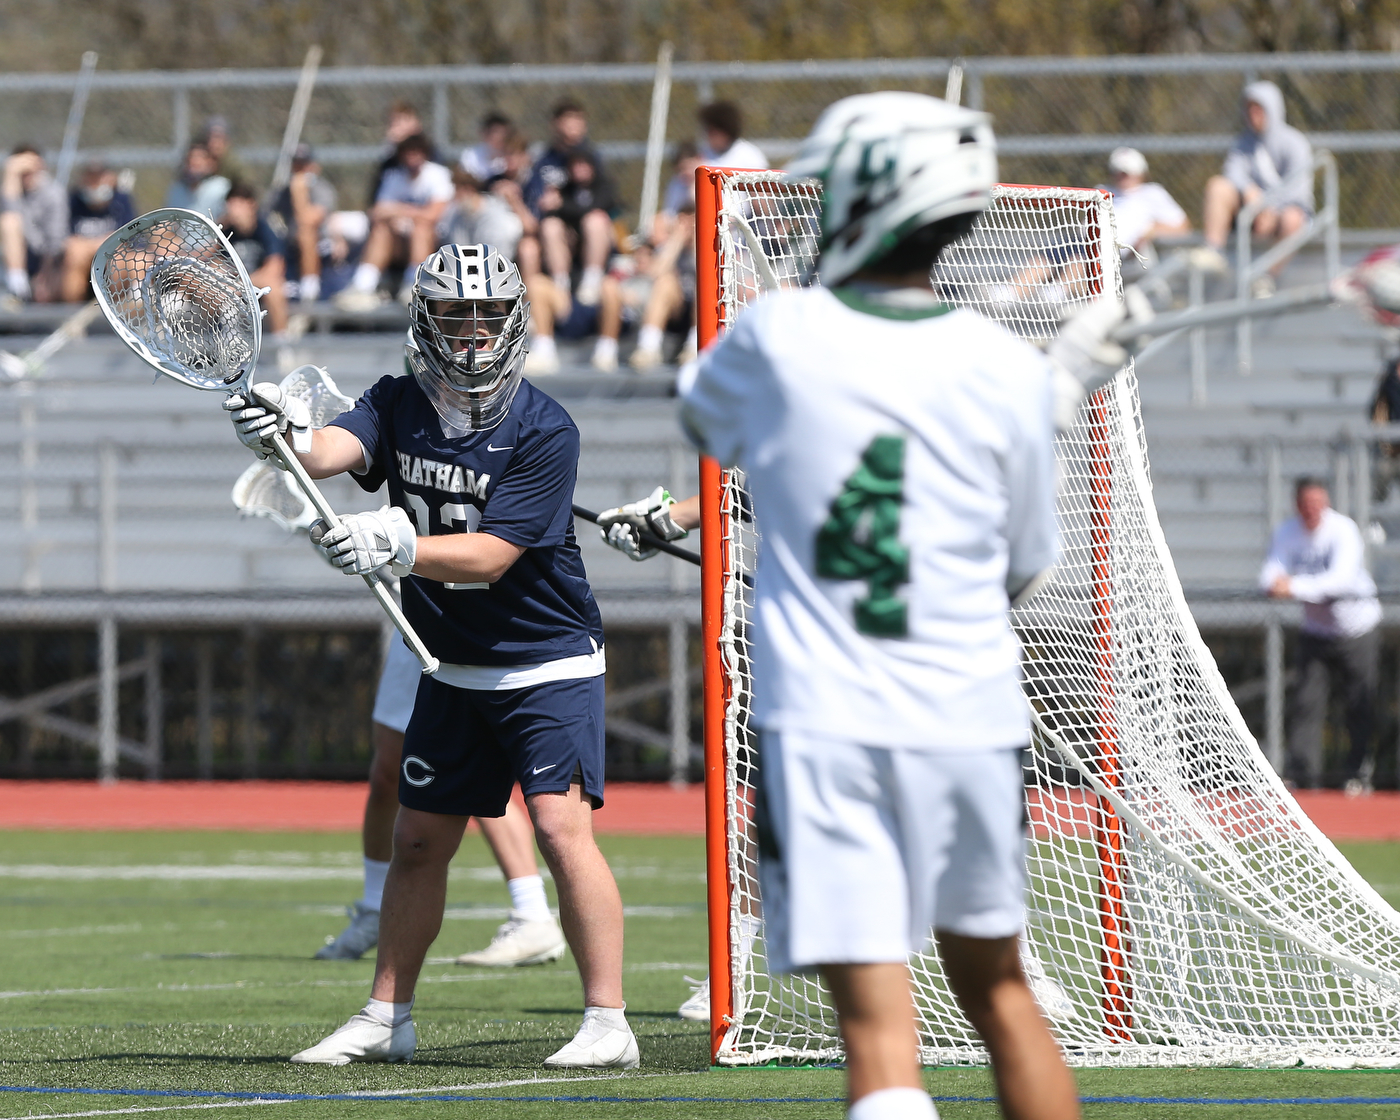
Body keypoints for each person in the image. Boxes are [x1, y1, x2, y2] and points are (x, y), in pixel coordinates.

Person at [675, 91, 1117, 1120]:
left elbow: (709, 420)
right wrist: (1040, 389)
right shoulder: (1007, 370)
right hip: (968, 719)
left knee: (876, 1035)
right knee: (1001, 992)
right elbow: (1023, 571)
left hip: (821, 725)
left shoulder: (776, 336)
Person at [227, 242, 636, 1070]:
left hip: (542, 657)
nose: (475, 332)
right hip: (450, 660)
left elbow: (490, 558)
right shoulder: (396, 400)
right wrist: (277, 431)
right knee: (418, 840)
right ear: (427, 317)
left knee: (560, 829)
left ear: (516, 320)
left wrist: (392, 540)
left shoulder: (547, 426)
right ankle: (387, 1016)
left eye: (489, 315)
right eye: (458, 313)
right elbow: (325, 453)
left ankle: (608, 1022)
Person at [316, 634, 566, 967]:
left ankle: (532, 914)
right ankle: (376, 909)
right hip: (413, 615)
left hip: (470, 617)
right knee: (389, 769)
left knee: (473, 770)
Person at [1261, 478, 1380, 795]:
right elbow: (1269, 576)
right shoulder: (1287, 532)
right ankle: (1303, 778)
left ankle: (1356, 774)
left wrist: (1293, 586)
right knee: (1306, 704)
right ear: (1297, 504)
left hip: (1356, 630)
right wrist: (1280, 584)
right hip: (1316, 632)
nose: (1313, 510)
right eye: (1307, 504)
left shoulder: (1343, 530)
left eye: (1318, 503)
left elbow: (1338, 582)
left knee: (1358, 705)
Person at [1200, 81, 1314, 296]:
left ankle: (1266, 277)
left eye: (1258, 108)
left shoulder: (1295, 142)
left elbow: (1299, 190)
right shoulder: (1243, 143)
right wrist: (1250, 192)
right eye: (1249, 108)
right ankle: (1213, 252)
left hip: (1282, 215)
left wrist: (1270, 208)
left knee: (1293, 218)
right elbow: (1232, 173)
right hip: (1251, 214)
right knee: (1217, 186)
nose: (1253, 114)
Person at [337, 134, 454, 310]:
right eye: (408, 153)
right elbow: (377, 212)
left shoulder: (438, 174)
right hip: (398, 240)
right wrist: (406, 215)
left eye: (416, 152)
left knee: (420, 228)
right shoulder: (393, 177)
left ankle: (413, 285)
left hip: (436, 243)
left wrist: (400, 210)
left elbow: (433, 214)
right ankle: (362, 286)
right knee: (381, 229)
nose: (412, 157)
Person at [525, 99, 613, 305]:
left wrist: (563, 204)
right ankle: (559, 287)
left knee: (596, 221)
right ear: (556, 124)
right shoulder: (545, 160)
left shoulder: (592, 157)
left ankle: (592, 282)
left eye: (578, 120)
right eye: (568, 120)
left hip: (587, 226)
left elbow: (603, 199)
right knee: (550, 227)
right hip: (558, 226)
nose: (573, 126)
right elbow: (538, 199)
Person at [220, 181, 289, 338]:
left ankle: (282, 345)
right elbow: (207, 259)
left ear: (251, 205)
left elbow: (275, 267)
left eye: (238, 204)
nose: (233, 210)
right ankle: (230, 345)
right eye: (230, 204)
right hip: (234, 287)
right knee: (218, 288)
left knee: (274, 288)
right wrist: (217, 227)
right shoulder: (226, 231)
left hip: (258, 284)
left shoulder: (264, 228)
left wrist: (242, 284)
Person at [270, 143, 337, 303]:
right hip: (290, 243)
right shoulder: (282, 191)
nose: (300, 170)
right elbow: (264, 213)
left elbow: (307, 220)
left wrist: (299, 193)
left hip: (320, 243)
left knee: (305, 232)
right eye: (296, 165)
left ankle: (309, 289)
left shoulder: (323, 189)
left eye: (303, 165)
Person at [61, 160, 136, 303]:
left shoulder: (121, 200)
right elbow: (69, 238)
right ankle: (71, 310)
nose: (95, 183)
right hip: (83, 255)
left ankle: (116, 310)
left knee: (118, 255)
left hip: (112, 254)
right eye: (90, 178)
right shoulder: (74, 201)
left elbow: (130, 237)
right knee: (75, 252)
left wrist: (100, 244)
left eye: (99, 178)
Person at [1, 145, 68, 304]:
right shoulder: (6, 190)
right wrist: (10, 179)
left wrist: (44, 276)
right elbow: (9, 216)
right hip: (8, 261)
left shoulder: (53, 193)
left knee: (10, 222)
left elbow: (55, 242)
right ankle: (17, 287)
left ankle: (19, 292)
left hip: (43, 261)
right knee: (9, 222)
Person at [1103, 147, 1189, 259]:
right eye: (1117, 172)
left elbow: (1182, 226)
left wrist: (1150, 233)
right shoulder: (1102, 192)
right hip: (1094, 252)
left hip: (1132, 259)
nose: (1122, 177)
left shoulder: (1152, 193)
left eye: (1126, 173)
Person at [438, 167, 523, 263]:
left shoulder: (495, 212)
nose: (455, 196)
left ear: (469, 189)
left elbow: (502, 251)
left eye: (458, 190)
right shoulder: (455, 216)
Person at [164, 141, 230, 219]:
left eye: (200, 159)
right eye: (191, 158)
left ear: (210, 163)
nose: (194, 162)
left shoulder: (221, 187)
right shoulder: (177, 189)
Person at [698, 101, 768, 171]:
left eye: (713, 132)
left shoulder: (750, 156)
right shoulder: (700, 155)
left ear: (727, 132)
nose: (708, 135)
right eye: (708, 131)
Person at [461, 110, 514, 183]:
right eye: (496, 132)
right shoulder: (470, 156)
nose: (500, 137)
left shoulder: (511, 156)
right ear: (485, 133)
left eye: (503, 133)